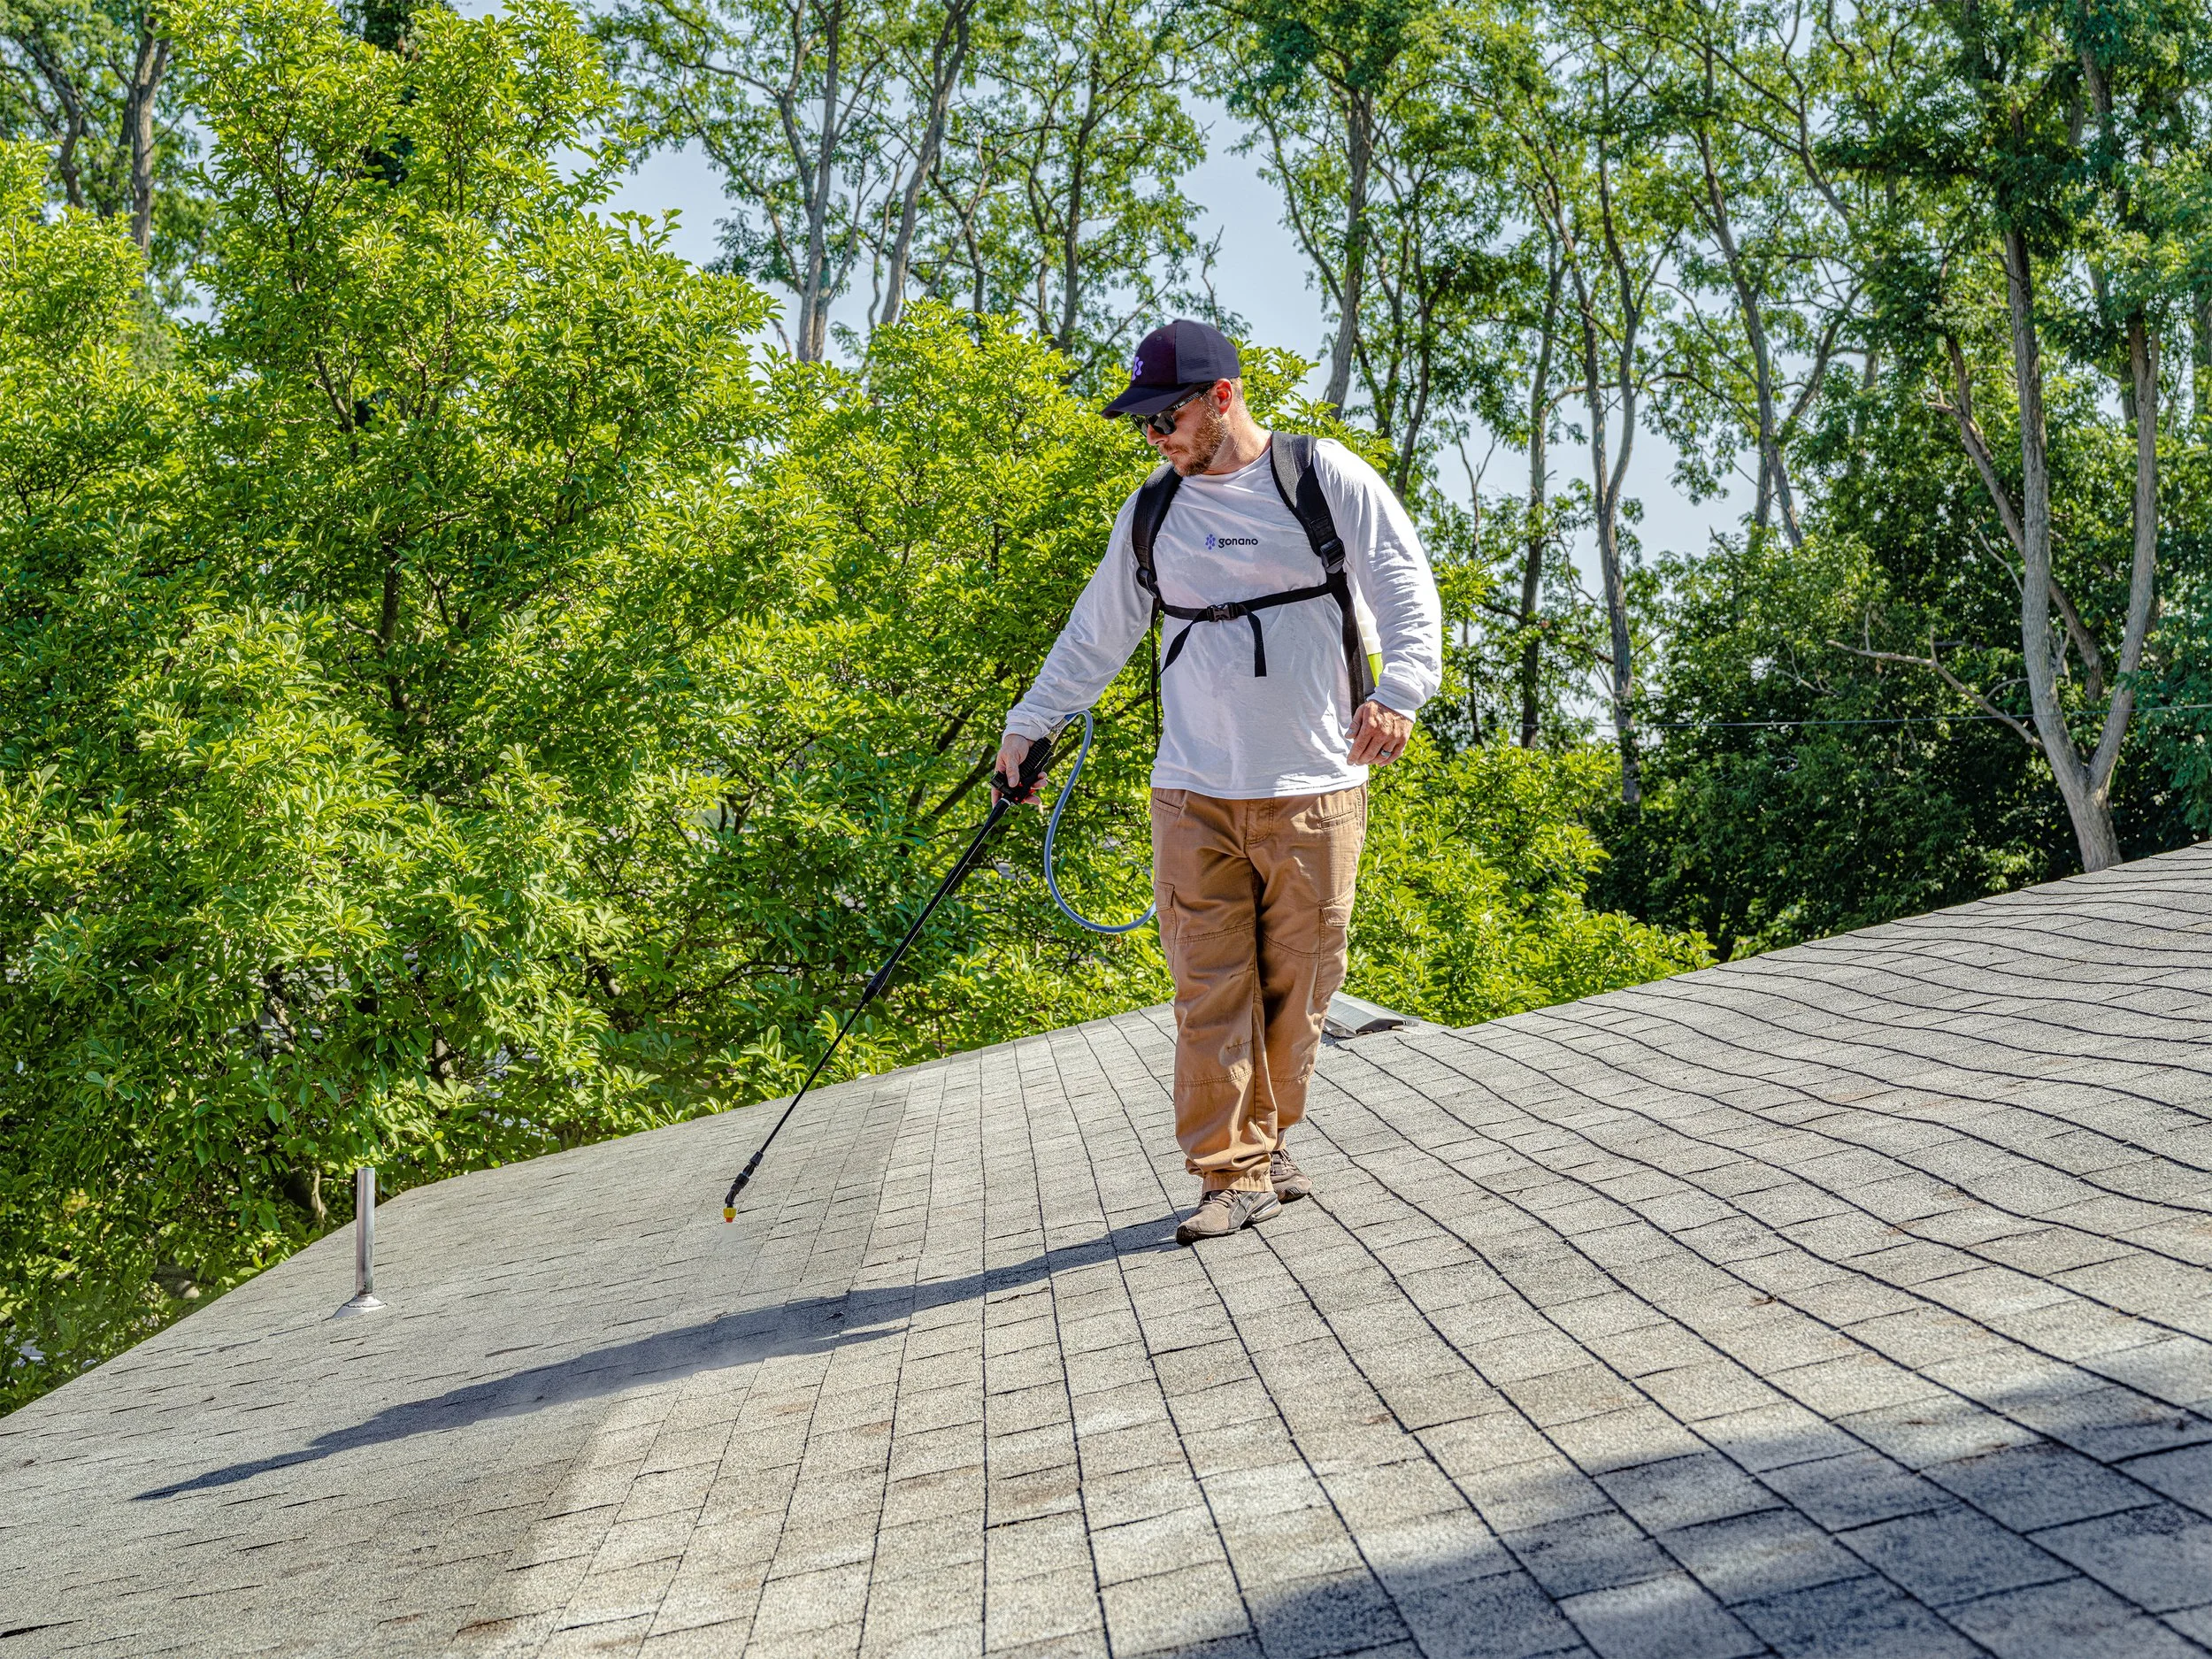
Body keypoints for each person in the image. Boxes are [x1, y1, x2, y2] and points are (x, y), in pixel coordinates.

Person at [996, 319, 1442, 1246]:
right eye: (1143, 424)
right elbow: (1096, 633)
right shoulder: (1153, 511)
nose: (1154, 438)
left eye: (1166, 418)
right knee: (1208, 988)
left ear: (1222, 399)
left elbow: (1404, 584)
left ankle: (1271, 1138)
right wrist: (1028, 725)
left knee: (1300, 985)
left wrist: (1399, 690)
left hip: (1314, 784)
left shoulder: (1322, 479)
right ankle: (1228, 1171)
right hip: (1192, 788)